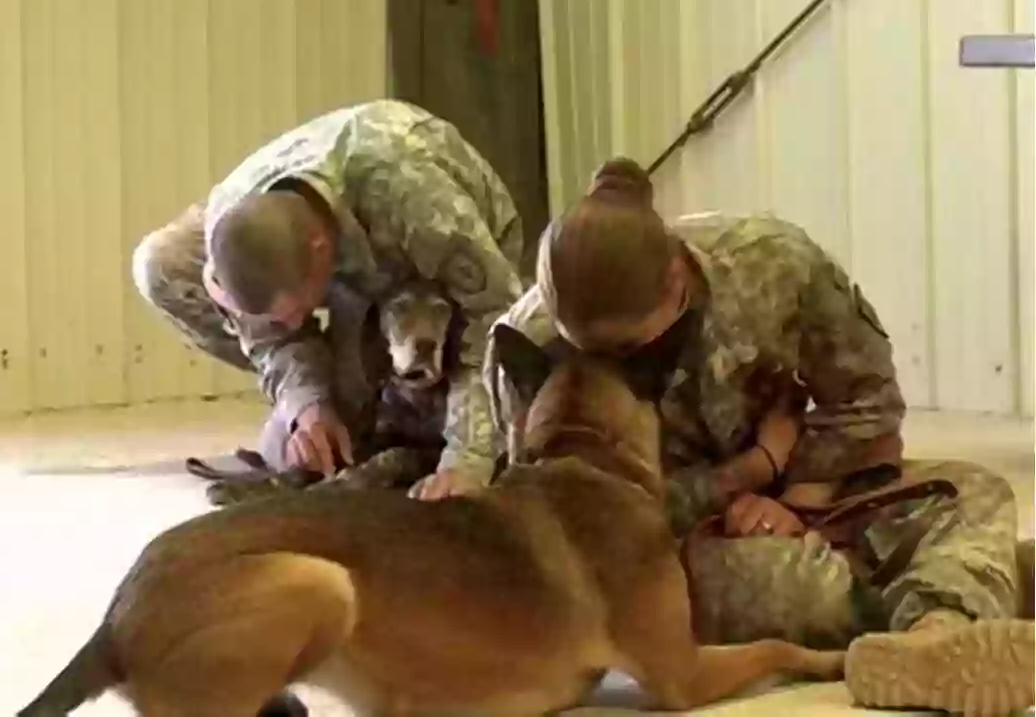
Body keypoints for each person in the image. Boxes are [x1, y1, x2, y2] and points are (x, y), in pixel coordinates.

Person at [481, 157, 1034, 714]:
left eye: (624, 351)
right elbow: (568, 534)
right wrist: (745, 475)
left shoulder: (770, 263)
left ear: (676, 277)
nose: (605, 369)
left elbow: (865, 398)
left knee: (974, 490)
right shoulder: (526, 347)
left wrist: (798, 498)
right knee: (804, 589)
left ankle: (936, 635)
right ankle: (963, 591)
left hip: (804, 494)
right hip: (659, 554)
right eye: (580, 351)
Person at [133, 99, 524, 499]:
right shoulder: (233, 224)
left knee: (497, 427)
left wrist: (468, 458)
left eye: (294, 312)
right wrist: (306, 403)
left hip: (433, 273)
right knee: (161, 264)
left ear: (321, 252)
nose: (289, 326)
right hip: (348, 278)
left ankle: (403, 407)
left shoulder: (414, 199)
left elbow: (498, 314)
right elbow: (268, 334)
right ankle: (357, 400)